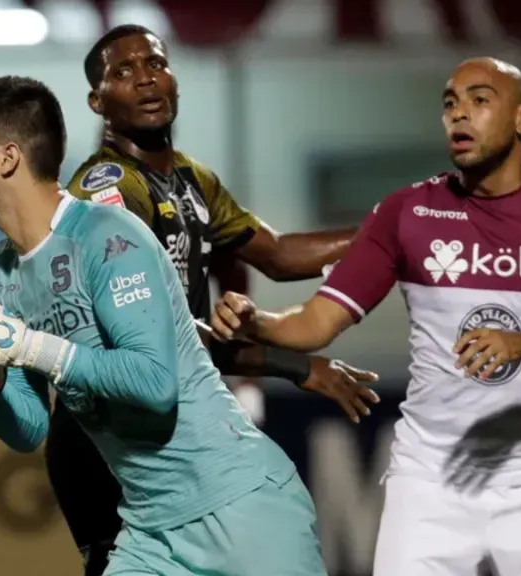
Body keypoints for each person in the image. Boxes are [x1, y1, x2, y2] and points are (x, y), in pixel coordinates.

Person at [0, 75, 329, 575]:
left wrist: (23, 344)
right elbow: (29, 427)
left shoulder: (108, 236)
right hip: (150, 534)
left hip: (240, 508)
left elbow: (155, 384)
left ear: (7, 158)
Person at [211, 57, 521, 576]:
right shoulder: (407, 213)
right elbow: (315, 323)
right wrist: (257, 321)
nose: (460, 115)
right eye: (450, 103)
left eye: (480, 100)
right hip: (429, 482)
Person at [51, 24, 373, 573]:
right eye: (122, 72)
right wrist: (294, 365)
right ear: (97, 100)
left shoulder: (193, 180)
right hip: (105, 442)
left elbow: (279, 256)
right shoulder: (106, 192)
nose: (146, 80)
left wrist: (393, 230)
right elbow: (152, 338)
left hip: (167, 433)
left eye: (155, 63)